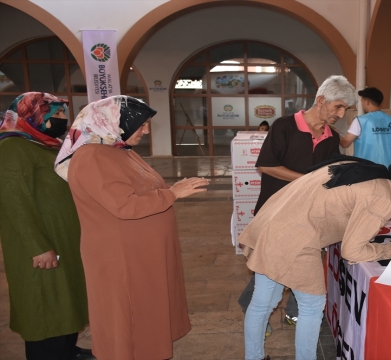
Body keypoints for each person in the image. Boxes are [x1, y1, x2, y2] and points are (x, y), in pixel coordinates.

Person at [239, 156, 391, 360]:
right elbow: (352, 252)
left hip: (270, 223)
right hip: (293, 238)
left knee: (262, 302)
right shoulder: (383, 198)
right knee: (311, 306)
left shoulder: (371, 172)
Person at [54, 96, 209, 360]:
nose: (147, 130)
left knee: (146, 311)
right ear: (115, 122)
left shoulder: (119, 149)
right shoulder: (92, 156)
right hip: (120, 256)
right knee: (128, 315)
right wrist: (172, 194)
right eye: (142, 124)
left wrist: (170, 190)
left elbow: (143, 187)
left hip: (139, 253)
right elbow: (123, 206)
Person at [238, 75, 356, 332]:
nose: (341, 113)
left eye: (345, 109)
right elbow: (266, 165)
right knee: (270, 268)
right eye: (337, 106)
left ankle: (293, 311)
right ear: (321, 100)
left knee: (302, 266)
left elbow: (331, 173)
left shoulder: (331, 136)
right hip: (275, 213)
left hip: (309, 217)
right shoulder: (284, 126)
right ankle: (253, 306)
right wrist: (307, 181)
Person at [0, 92, 94, 360]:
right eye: (57, 114)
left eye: (64, 114)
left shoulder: (45, 145)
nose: (64, 119)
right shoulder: (12, 148)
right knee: (45, 303)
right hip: (41, 245)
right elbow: (13, 202)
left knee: (65, 299)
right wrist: (38, 247)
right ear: (34, 116)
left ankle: (67, 351)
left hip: (63, 238)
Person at [338, 87, 391, 168]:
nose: (362, 104)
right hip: (389, 170)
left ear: (367, 102)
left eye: (362, 101)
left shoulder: (360, 121)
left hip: (367, 170)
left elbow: (345, 143)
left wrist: (334, 132)